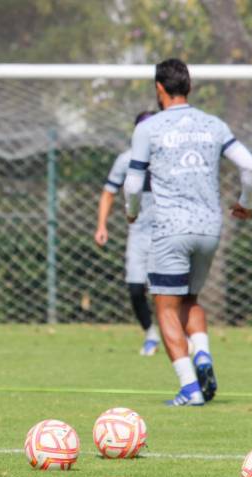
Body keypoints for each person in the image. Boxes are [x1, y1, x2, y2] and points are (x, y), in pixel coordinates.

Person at [124, 58, 252, 406]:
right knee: (190, 301)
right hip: (209, 227)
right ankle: (202, 354)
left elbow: (134, 182)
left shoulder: (149, 128)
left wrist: (132, 212)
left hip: (171, 228)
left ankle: (189, 388)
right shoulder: (213, 124)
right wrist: (246, 202)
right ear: (189, 87)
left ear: (159, 89)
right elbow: (249, 165)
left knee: (165, 307)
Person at [94, 111, 160, 356]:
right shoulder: (126, 160)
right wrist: (102, 225)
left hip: (167, 234)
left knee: (167, 291)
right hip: (139, 235)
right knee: (135, 289)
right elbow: (108, 193)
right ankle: (151, 333)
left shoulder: (169, 158)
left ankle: (182, 336)